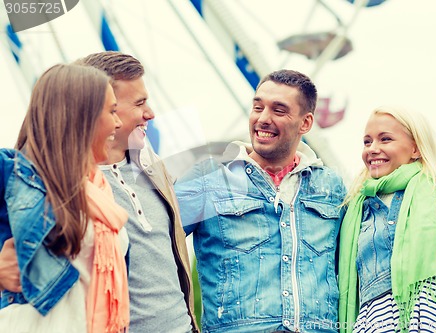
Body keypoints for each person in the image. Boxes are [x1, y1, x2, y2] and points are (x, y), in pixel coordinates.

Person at [174, 69, 347, 332]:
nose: (263, 118)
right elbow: (154, 247)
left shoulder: (330, 187)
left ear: (306, 123)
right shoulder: (209, 179)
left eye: (279, 110)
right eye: (258, 107)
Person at [338, 106, 436, 333]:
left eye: (385, 139)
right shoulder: (354, 211)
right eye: (367, 142)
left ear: (415, 148)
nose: (373, 149)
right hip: (376, 324)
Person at [0, 64, 128, 332]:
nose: (118, 122)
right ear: (83, 116)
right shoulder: (15, 175)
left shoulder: (100, 189)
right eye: (112, 111)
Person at [77, 51, 199, 333]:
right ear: (104, 108)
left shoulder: (154, 169)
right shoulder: (67, 186)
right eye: (140, 103)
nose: (151, 113)